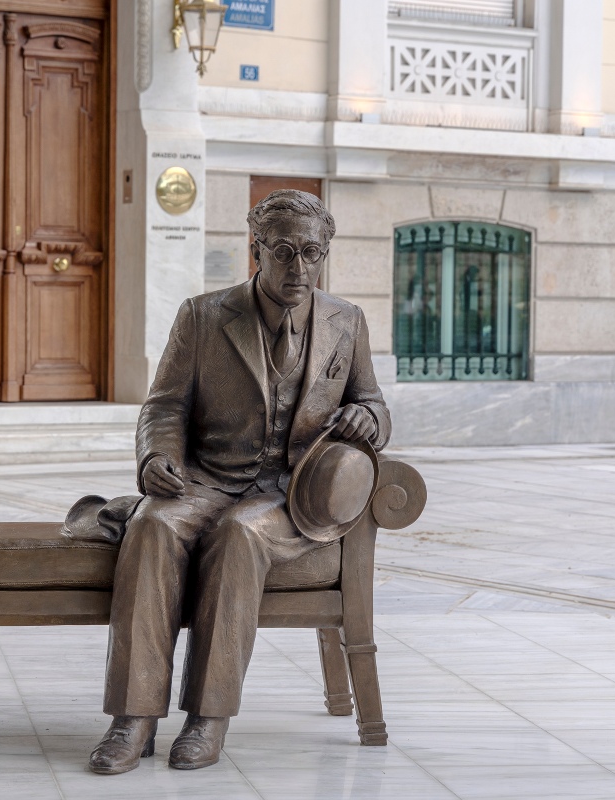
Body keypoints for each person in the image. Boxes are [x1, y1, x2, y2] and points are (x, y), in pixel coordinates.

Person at [88, 189, 392, 774]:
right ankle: (133, 717)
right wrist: (156, 457)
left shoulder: (346, 321)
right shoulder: (203, 316)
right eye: (284, 252)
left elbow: (374, 403)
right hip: (205, 480)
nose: (299, 267)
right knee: (151, 527)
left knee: (239, 535)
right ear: (257, 250)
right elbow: (164, 405)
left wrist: (367, 417)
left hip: (291, 496)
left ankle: (209, 717)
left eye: (311, 253)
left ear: (324, 253)